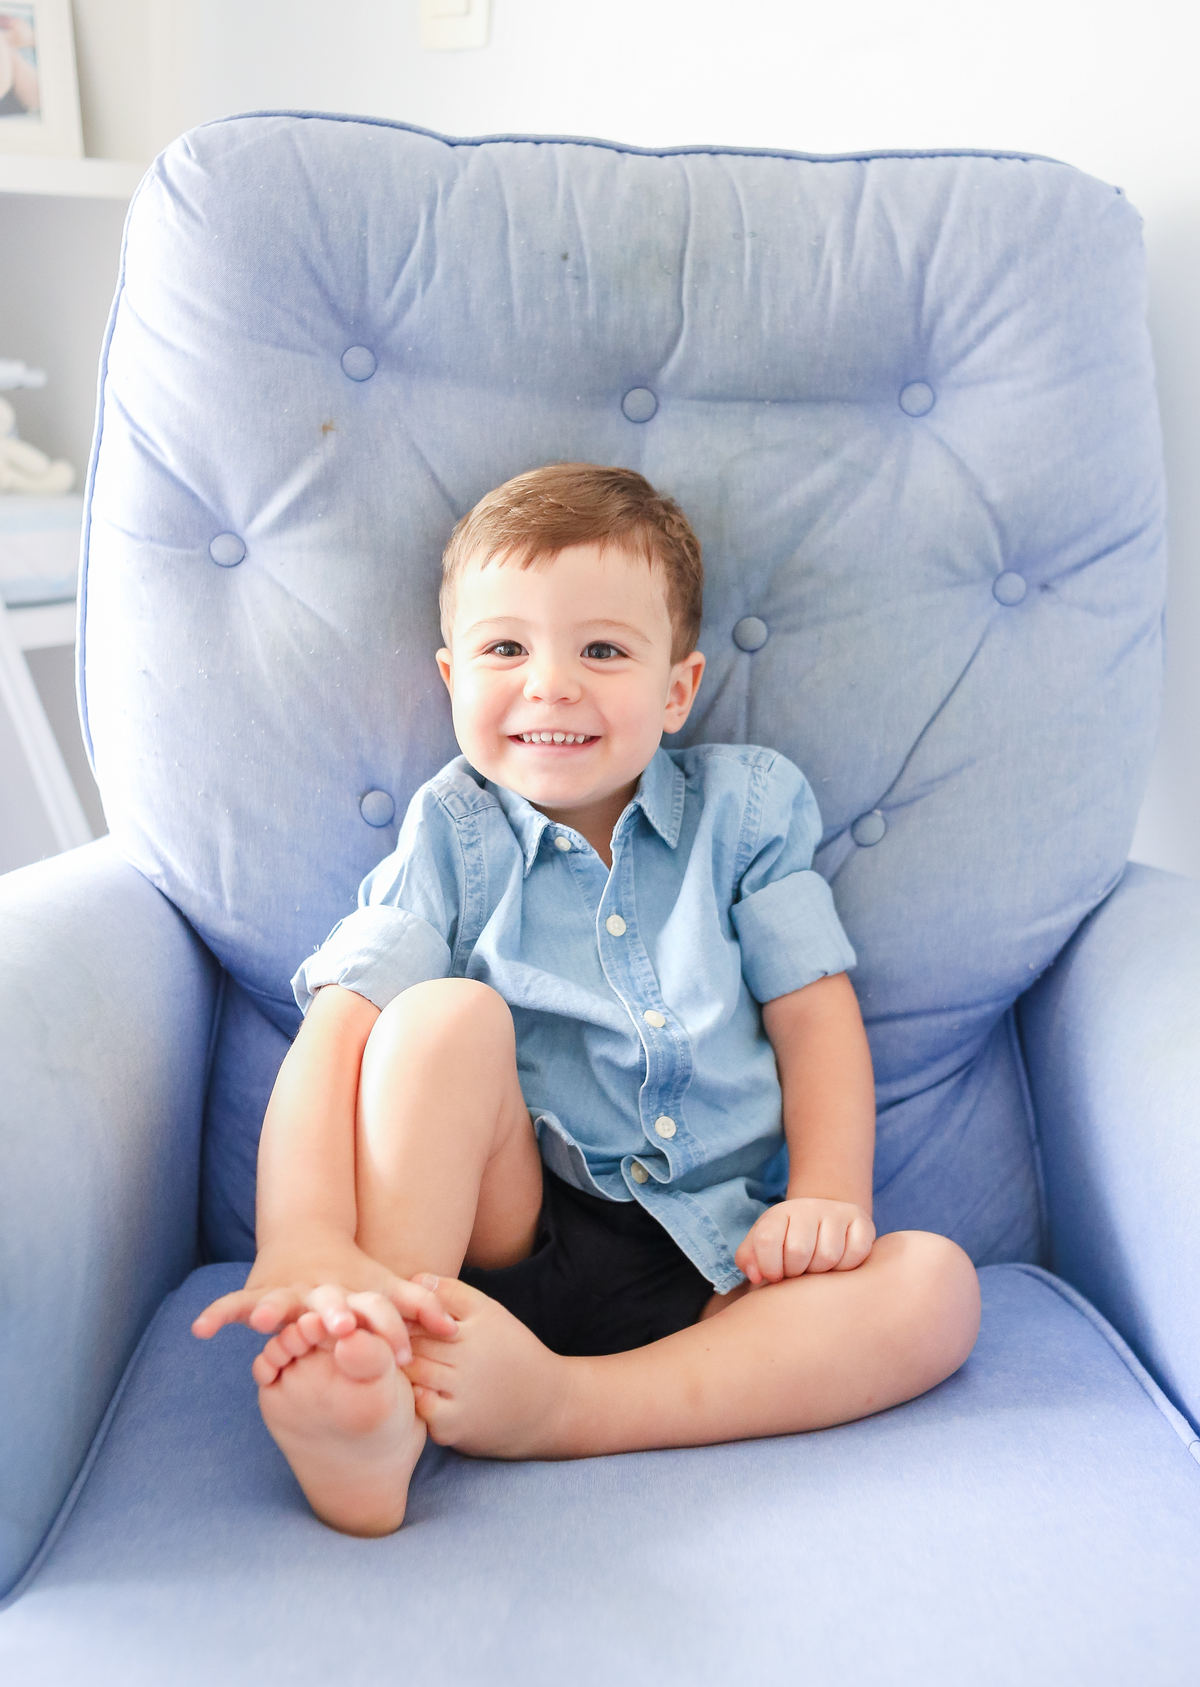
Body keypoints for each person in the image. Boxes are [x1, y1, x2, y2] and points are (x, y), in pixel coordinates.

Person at [193, 463, 981, 1536]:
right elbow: (339, 1032)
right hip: (508, 1241)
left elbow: (815, 1014)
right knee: (437, 1019)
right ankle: (376, 1365)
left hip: (720, 1265)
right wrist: (304, 1236)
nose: (552, 685)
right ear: (450, 677)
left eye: (602, 651)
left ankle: (565, 1408)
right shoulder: (454, 832)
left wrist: (829, 1193)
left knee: (935, 1286)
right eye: (505, 650)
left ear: (677, 690)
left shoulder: (747, 812)